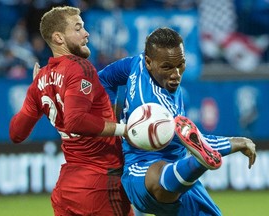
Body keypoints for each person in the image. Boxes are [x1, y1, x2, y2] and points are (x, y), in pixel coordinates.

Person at [98, 27, 257, 215]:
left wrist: (113, 124)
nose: (176, 74)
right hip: (140, 174)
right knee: (160, 172)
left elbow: (105, 78)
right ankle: (197, 164)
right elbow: (190, 137)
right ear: (149, 62)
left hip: (183, 183)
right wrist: (235, 143)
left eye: (180, 64)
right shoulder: (156, 106)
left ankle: (196, 164)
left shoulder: (138, 63)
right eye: (167, 67)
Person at [9, 6, 133, 216]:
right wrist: (125, 129)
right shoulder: (80, 68)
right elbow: (76, 121)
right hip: (100, 185)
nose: (86, 33)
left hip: (67, 189)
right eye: (78, 28)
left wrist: (36, 93)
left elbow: (16, 134)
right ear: (58, 38)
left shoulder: (42, 79)